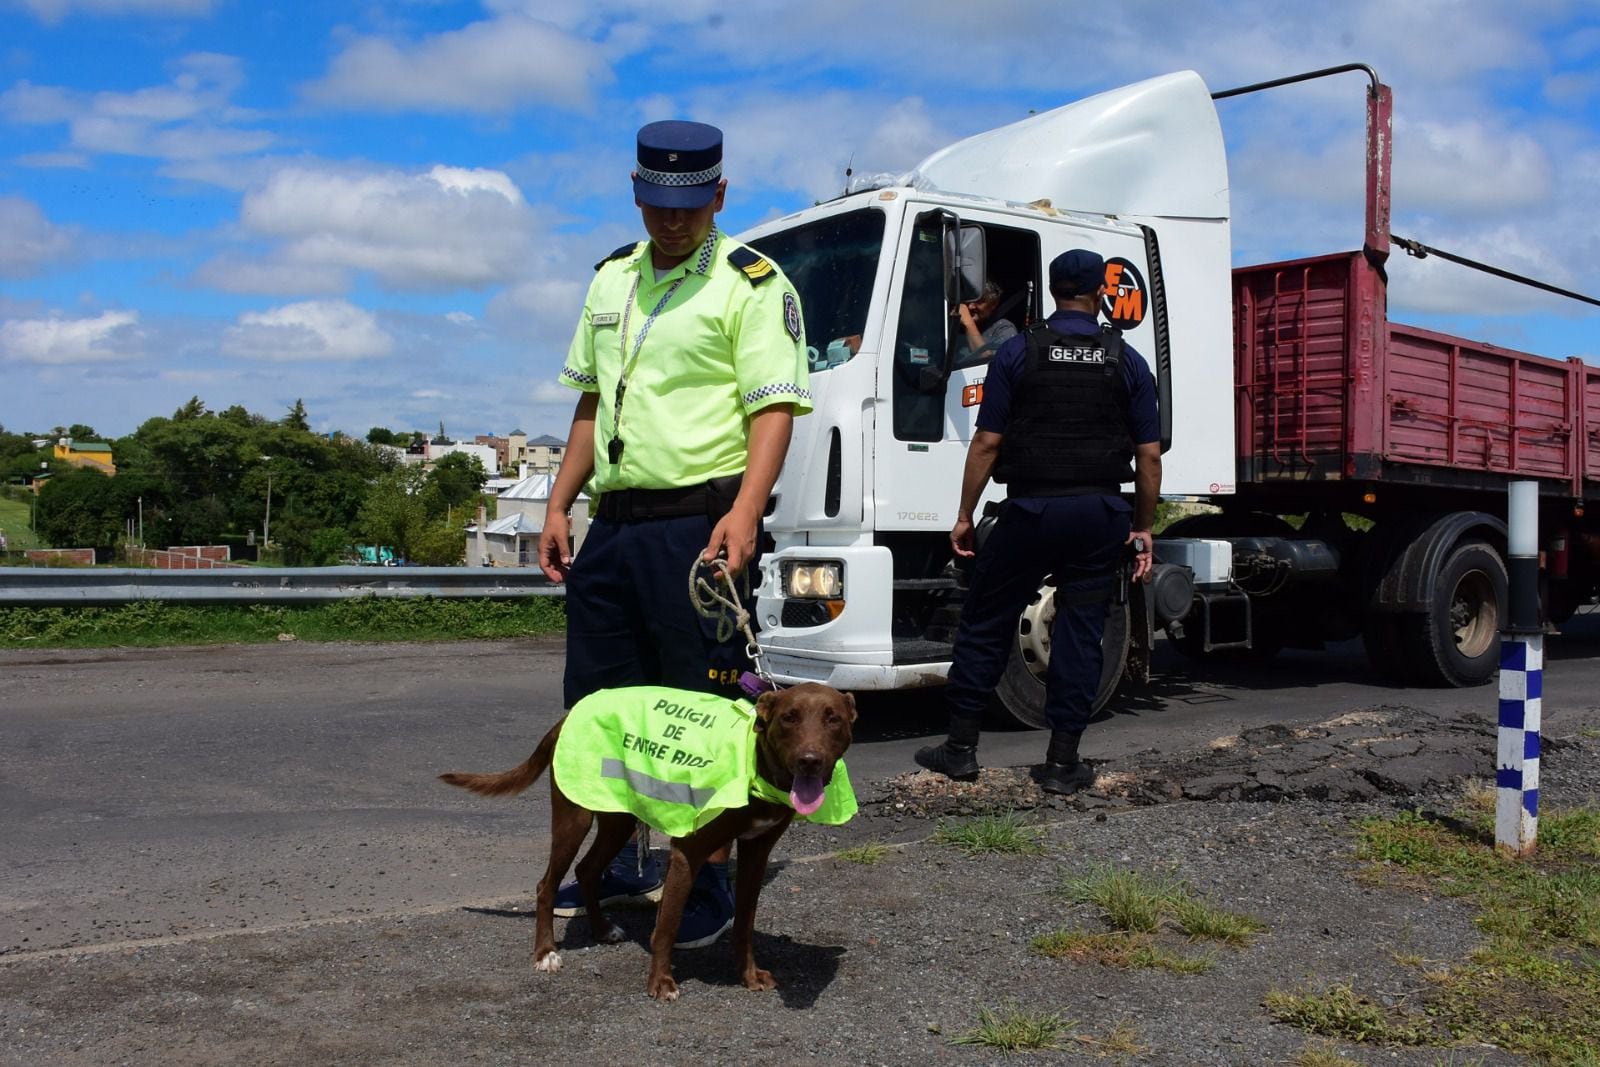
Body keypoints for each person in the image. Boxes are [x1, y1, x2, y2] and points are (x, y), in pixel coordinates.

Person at [537, 119, 811, 948]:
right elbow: (591, 404)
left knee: (707, 712)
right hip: (614, 530)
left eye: (689, 205)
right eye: (657, 203)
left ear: (719, 196)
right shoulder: (610, 280)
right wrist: (558, 503)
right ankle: (615, 866)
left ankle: (708, 881)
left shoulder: (753, 285)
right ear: (635, 192)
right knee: (602, 706)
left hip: (700, 526)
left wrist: (747, 509)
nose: (672, 221)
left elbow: (772, 408)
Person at [914, 248, 1161, 794]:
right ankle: (1062, 763)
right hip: (1099, 514)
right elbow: (1148, 456)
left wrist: (963, 515)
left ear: (1052, 291)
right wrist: (1142, 527)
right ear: (1100, 293)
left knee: (986, 621)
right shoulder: (1127, 360)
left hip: (1029, 510)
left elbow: (987, 442)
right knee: (1080, 631)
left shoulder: (1019, 353)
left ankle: (959, 750)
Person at [954, 280, 1018, 365]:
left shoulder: (1003, 329)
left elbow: (988, 363)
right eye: (969, 299)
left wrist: (969, 324)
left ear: (993, 304)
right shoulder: (954, 326)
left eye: (979, 301)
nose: (971, 306)